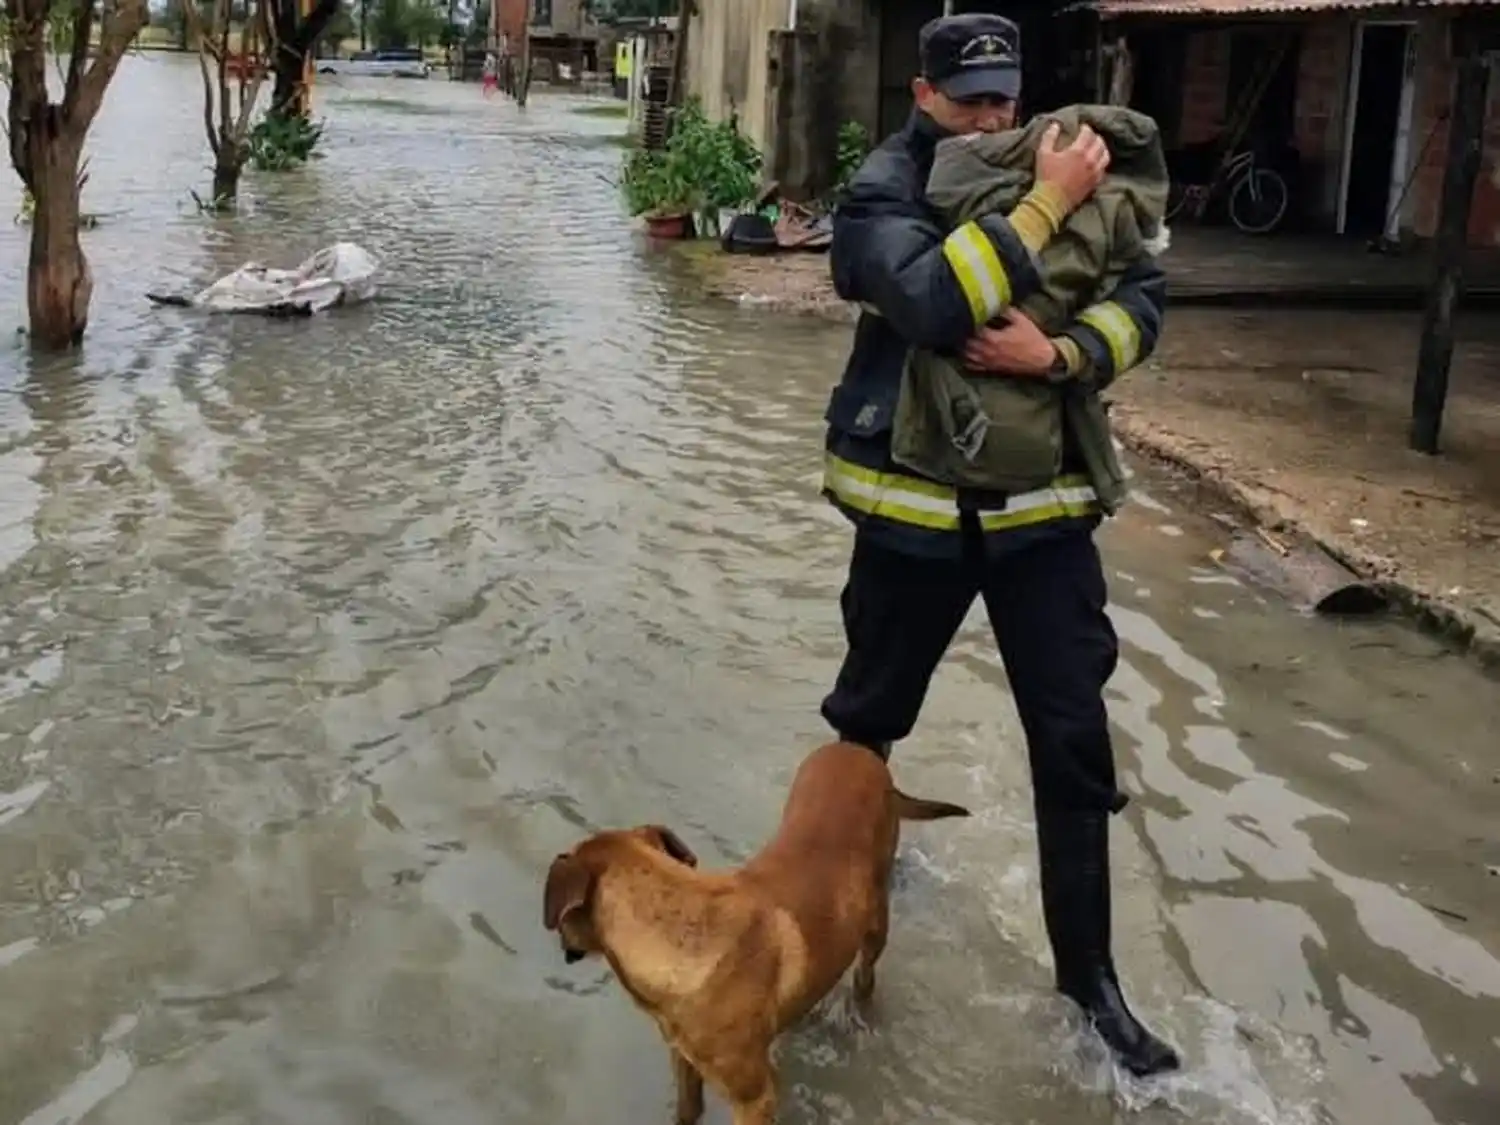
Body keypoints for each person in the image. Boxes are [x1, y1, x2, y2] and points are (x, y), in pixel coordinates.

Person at [820, 13, 1180, 1079]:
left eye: (1005, 100)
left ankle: (1092, 986)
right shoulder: (882, 189)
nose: (992, 117)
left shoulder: (1070, 168)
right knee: (865, 725)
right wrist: (1046, 204)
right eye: (970, 100)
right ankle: (845, 901)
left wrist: (1060, 351)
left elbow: (1146, 300)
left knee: (1074, 747)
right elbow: (929, 301)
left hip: (1044, 522)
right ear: (924, 97)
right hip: (912, 517)